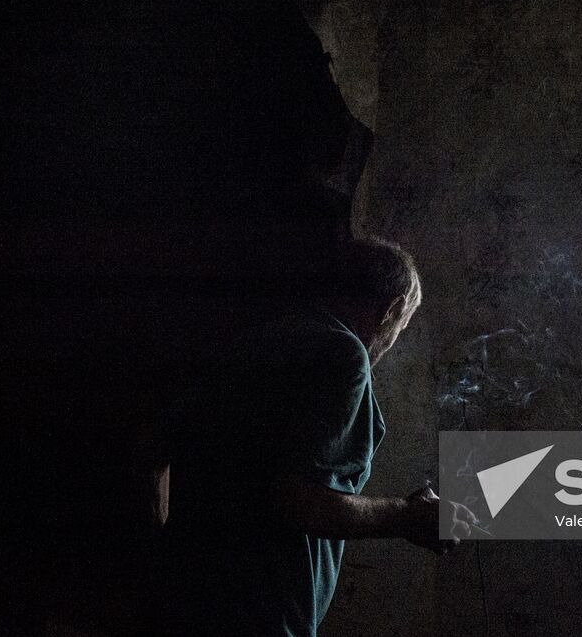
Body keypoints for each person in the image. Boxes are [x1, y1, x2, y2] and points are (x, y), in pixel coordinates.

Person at [158, 237, 476, 635]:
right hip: (261, 618)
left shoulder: (260, 339)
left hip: (184, 602)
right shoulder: (343, 353)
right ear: (391, 310)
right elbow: (302, 502)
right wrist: (408, 516)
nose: (394, 340)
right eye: (402, 326)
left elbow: (156, 450)